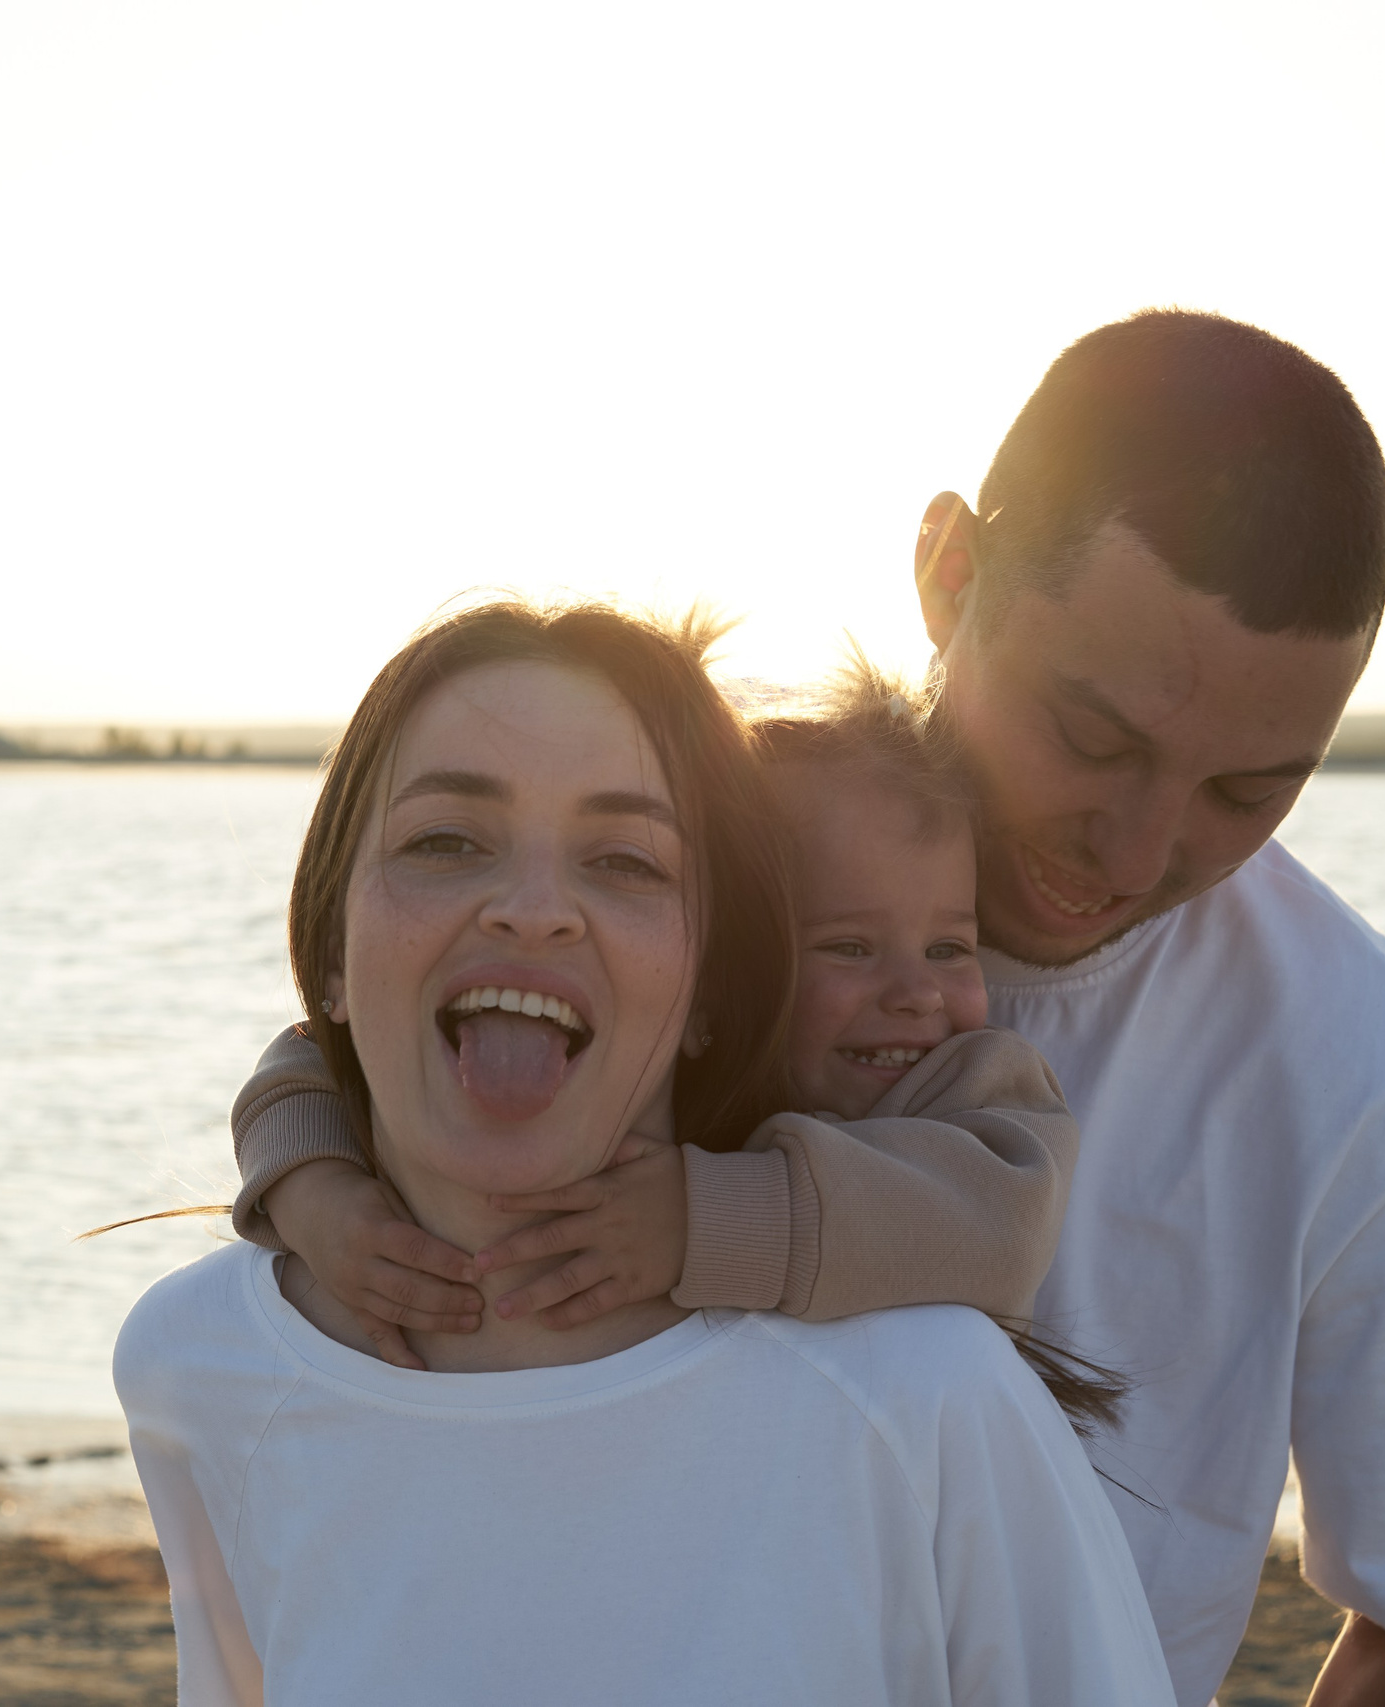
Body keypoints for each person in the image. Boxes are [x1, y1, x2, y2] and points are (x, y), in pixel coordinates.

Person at [222, 313, 1385, 1707]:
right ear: (948, 569)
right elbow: (380, 1030)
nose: (1137, 843)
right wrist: (311, 1179)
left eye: (1250, 790)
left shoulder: (1380, 1080)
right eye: (1094, 738)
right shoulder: (703, 860)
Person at [113, 601, 1174, 1706]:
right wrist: (311, 1183)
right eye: (444, 841)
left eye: (624, 860)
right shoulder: (201, 1365)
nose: (533, 911)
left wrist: (702, 1216)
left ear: (713, 985)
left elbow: (1001, 1202)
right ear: (328, 947)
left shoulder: (925, 1396)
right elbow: (304, 1069)